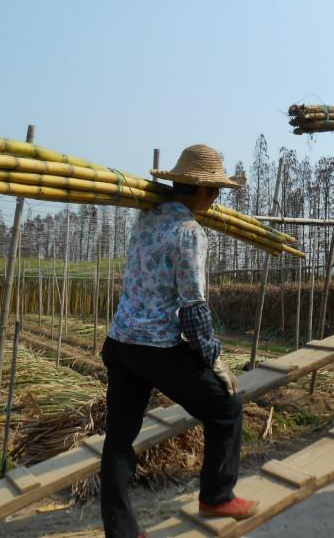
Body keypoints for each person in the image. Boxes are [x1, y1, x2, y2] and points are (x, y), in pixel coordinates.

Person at [101, 144, 256, 538]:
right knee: (226, 408)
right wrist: (215, 359)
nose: (216, 199)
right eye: (216, 192)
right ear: (205, 192)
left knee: (119, 440)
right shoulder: (190, 232)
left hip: (120, 343)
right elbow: (192, 306)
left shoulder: (146, 218)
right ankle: (217, 496)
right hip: (156, 347)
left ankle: (121, 532)